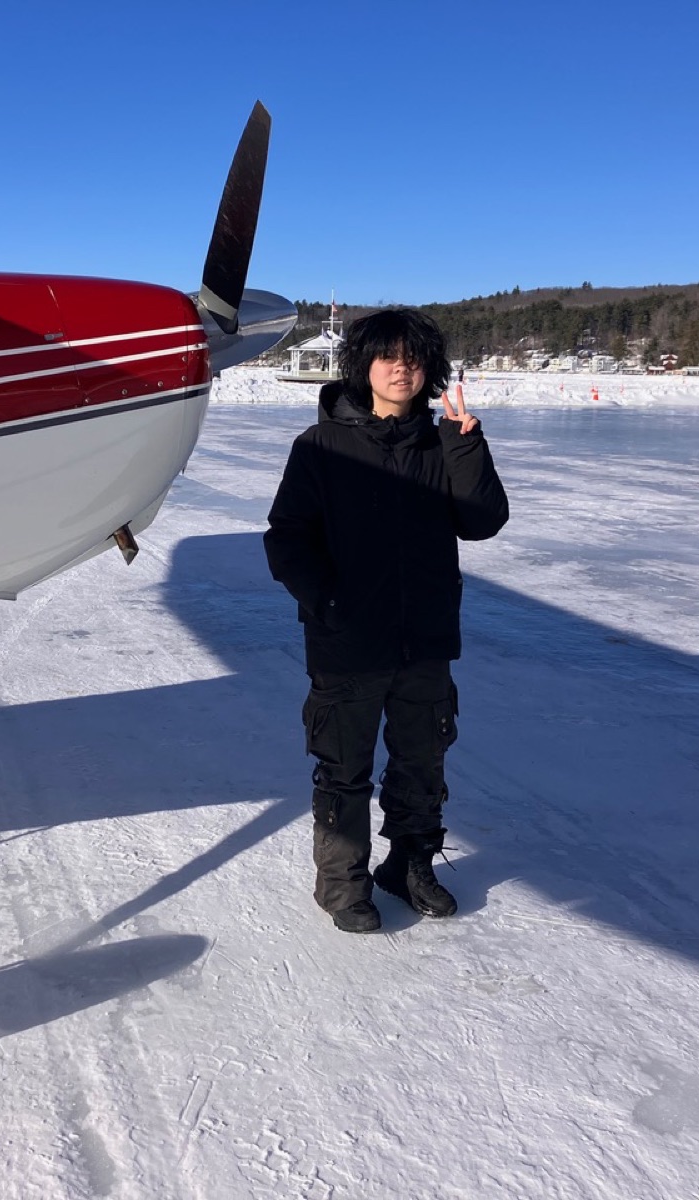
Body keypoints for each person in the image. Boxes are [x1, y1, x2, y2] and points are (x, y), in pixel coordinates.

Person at [263, 309, 510, 933]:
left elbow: (482, 521)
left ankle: (410, 864)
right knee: (345, 767)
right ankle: (342, 883)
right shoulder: (321, 447)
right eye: (388, 356)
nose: (402, 368)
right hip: (348, 641)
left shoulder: (443, 442)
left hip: (425, 637)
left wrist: (464, 443)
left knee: (423, 761)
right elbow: (287, 538)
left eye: (414, 358)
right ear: (363, 366)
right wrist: (327, 602)